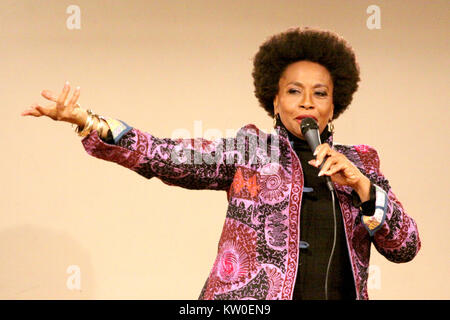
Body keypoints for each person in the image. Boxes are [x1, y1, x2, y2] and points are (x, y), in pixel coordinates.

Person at [21, 26, 420, 300]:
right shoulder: (248, 151)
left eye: (320, 93)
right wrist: (87, 121)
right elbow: (164, 156)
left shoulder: (360, 164)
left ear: (334, 105)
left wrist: (366, 189)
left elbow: (406, 248)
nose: (307, 101)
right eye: (293, 91)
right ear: (275, 101)